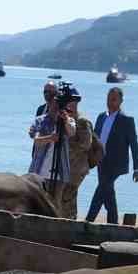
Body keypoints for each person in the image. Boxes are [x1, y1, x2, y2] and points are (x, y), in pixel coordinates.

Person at [86, 87, 138, 224]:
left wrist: (137, 168)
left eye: (114, 99)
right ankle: (113, 222)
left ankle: (88, 220)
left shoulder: (126, 120)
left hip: (116, 164)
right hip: (100, 162)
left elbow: (134, 144)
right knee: (108, 193)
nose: (110, 102)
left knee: (101, 189)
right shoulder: (101, 117)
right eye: (109, 99)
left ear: (121, 101)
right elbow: (93, 139)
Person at [28, 87, 74, 204]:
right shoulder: (40, 120)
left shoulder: (68, 120)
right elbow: (37, 140)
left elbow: (72, 132)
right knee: (36, 204)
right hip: (39, 171)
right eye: (54, 104)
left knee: (55, 205)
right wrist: (50, 138)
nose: (55, 108)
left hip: (60, 173)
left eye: (58, 105)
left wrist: (65, 120)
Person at [58, 87, 96, 218]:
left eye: (74, 103)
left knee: (68, 196)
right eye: (69, 103)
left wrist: (69, 140)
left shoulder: (82, 121)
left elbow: (86, 144)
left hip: (77, 167)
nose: (71, 106)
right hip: (66, 166)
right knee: (63, 197)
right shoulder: (63, 119)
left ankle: (70, 221)